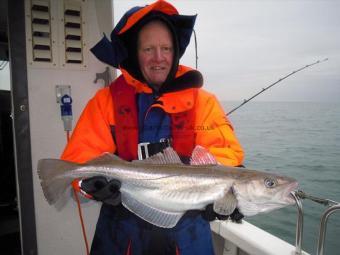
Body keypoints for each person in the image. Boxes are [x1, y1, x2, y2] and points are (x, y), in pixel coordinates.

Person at [61, 1, 244, 254]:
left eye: (166, 48)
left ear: (176, 51)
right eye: (148, 49)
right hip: (120, 235)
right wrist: (88, 185)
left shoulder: (203, 102)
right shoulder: (106, 102)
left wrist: (228, 190)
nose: (159, 58)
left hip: (189, 236)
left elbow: (226, 156)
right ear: (135, 53)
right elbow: (79, 161)